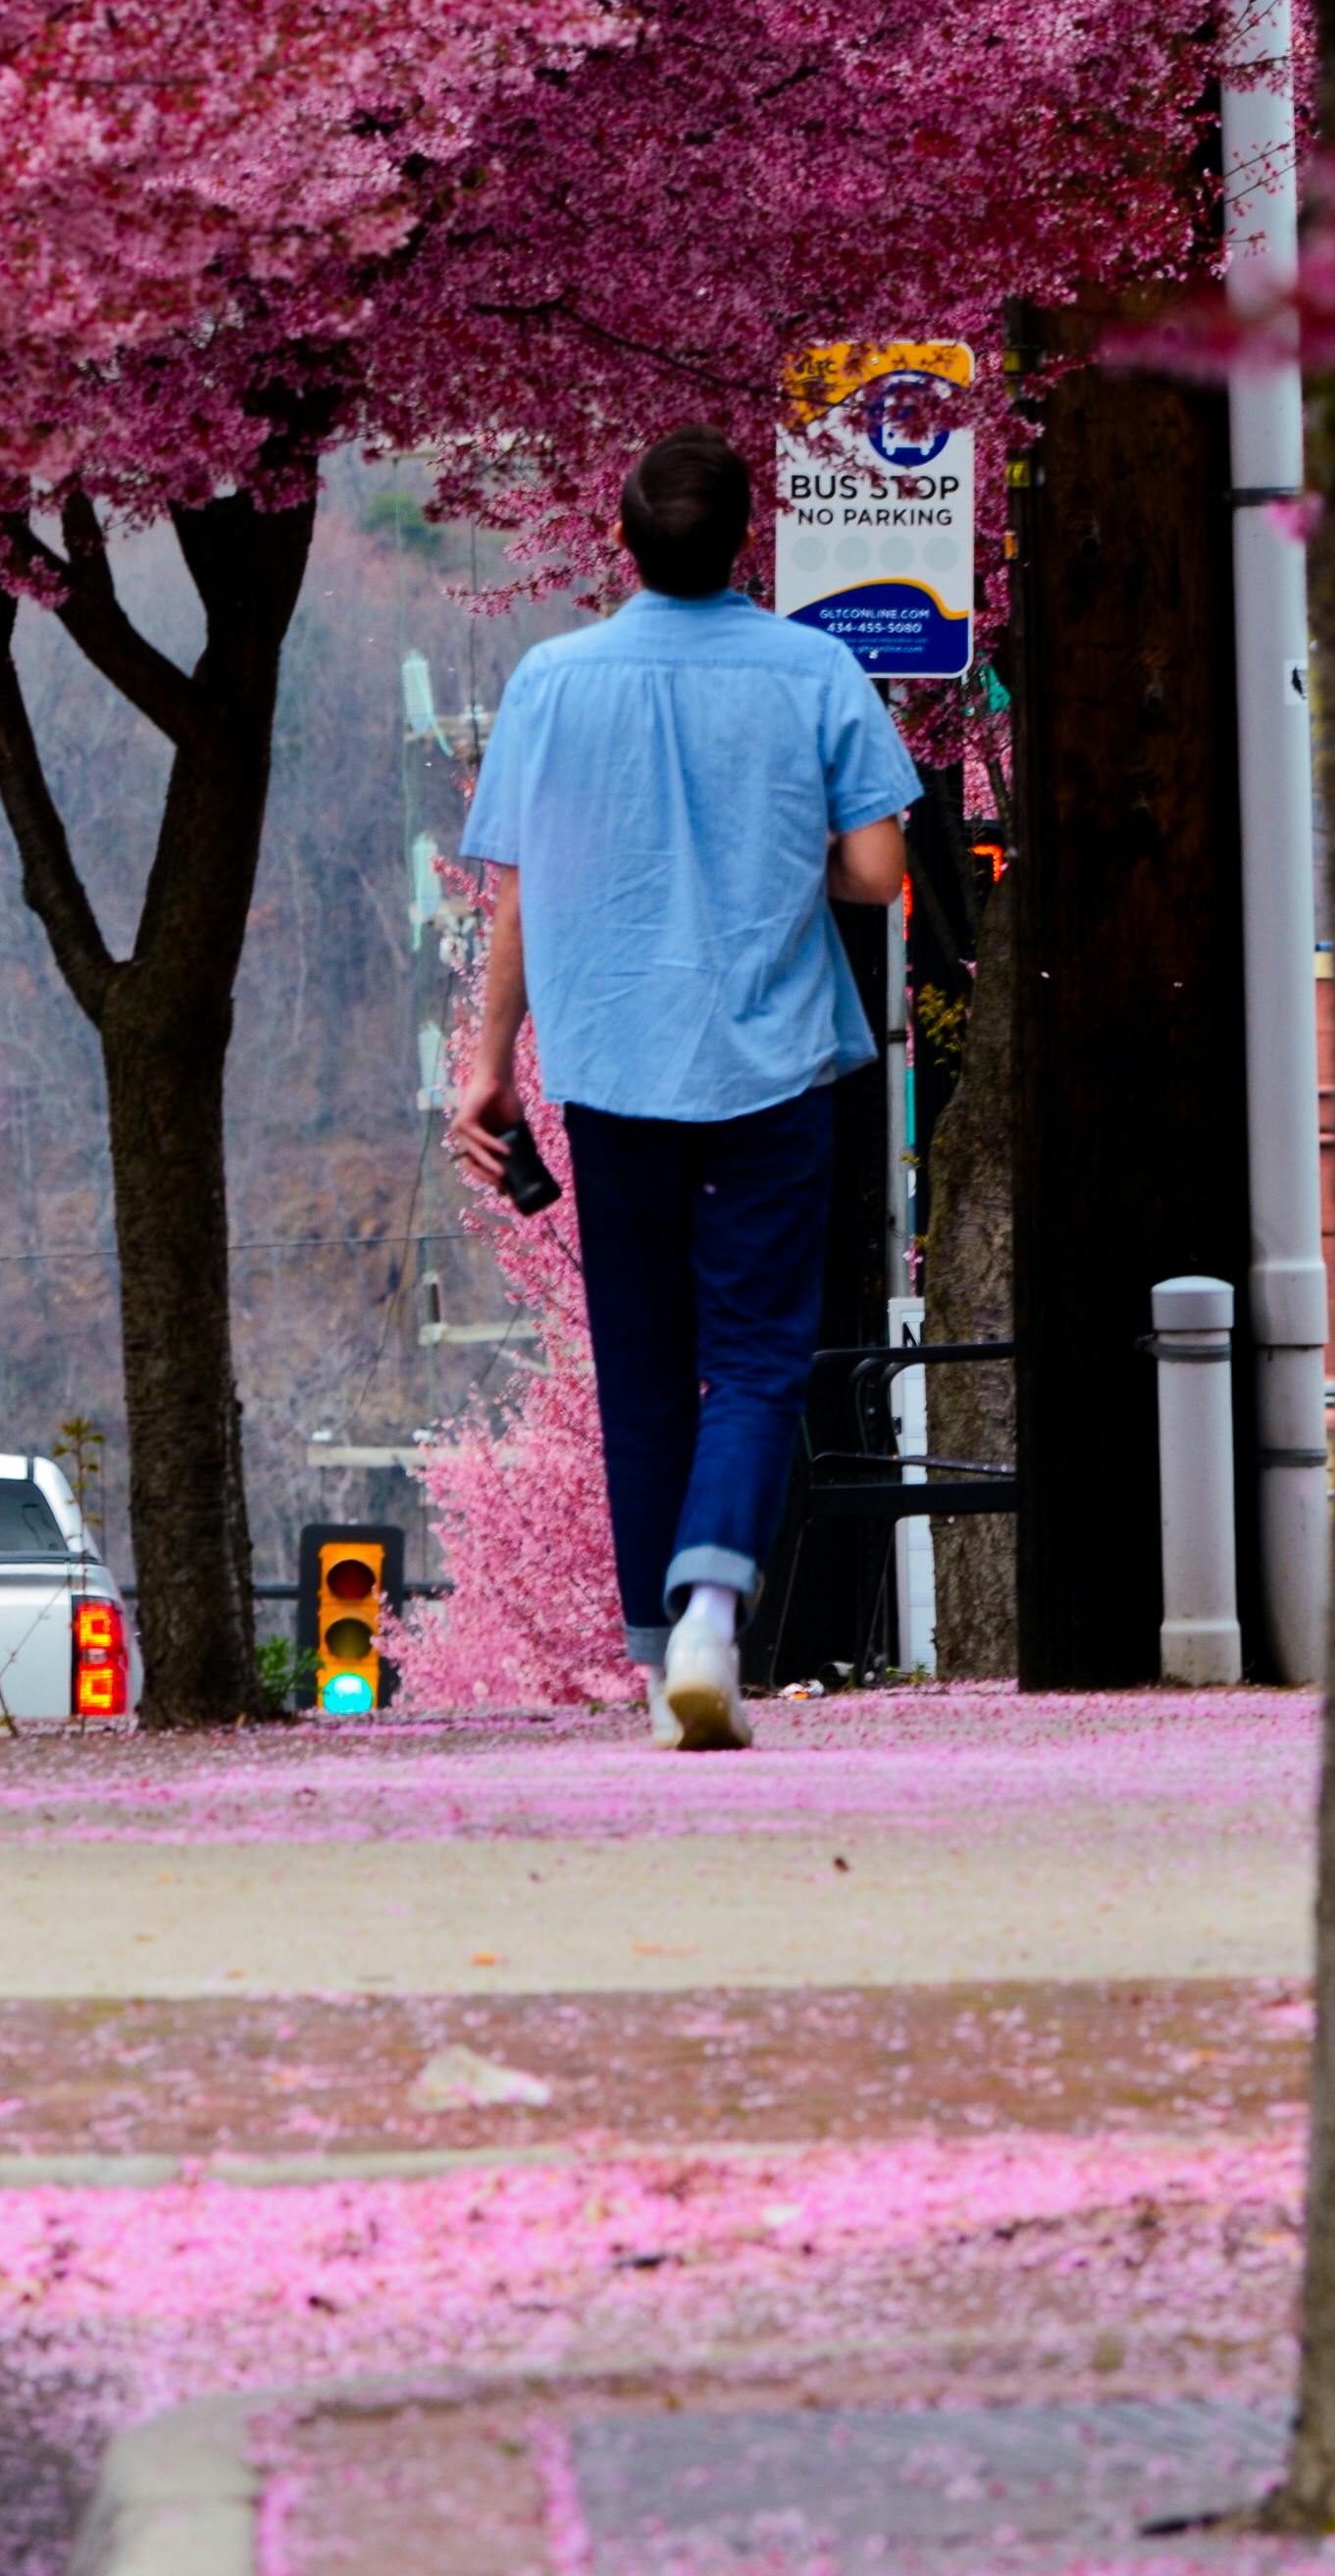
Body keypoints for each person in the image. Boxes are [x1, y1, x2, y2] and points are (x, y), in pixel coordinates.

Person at [451, 425, 918, 1751]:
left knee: (643, 1367)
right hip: (767, 1067)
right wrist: (781, 864)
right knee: (761, 1358)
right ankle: (715, 1597)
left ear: (623, 539)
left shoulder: (551, 681)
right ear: (743, 541)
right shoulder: (816, 671)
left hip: (610, 1068)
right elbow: (880, 875)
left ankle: (662, 1670)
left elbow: (519, 892)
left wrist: (491, 1069)